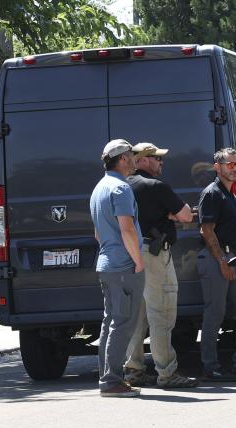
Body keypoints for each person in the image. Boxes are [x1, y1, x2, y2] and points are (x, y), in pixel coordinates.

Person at [123, 141, 198, 389]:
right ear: (142, 160)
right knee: (162, 314)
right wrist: (170, 213)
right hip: (154, 255)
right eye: (156, 158)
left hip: (129, 253)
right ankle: (167, 373)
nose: (161, 162)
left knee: (136, 315)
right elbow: (186, 215)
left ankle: (133, 370)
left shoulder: (122, 187)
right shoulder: (155, 186)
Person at [196, 148, 236, 382]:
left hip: (233, 258)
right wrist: (223, 262)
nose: (234, 169)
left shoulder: (231, 194)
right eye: (229, 165)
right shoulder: (212, 193)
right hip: (216, 260)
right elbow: (206, 230)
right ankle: (209, 367)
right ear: (217, 167)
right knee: (215, 312)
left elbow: (235, 233)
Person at [89, 139, 145, 397]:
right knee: (123, 322)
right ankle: (112, 381)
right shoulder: (121, 189)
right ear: (122, 158)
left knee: (110, 321)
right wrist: (138, 261)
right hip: (123, 265)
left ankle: (107, 378)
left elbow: (99, 234)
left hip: (106, 263)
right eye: (132, 155)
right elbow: (127, 228)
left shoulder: (99, 187)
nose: (135, 160)